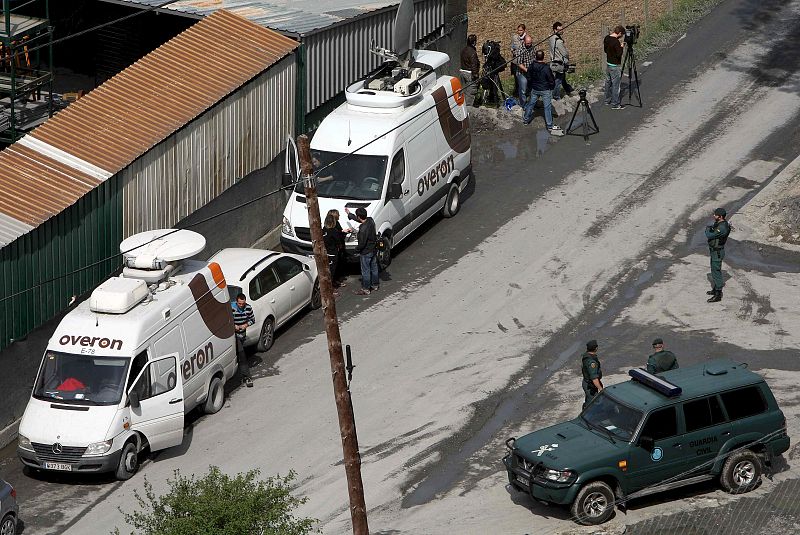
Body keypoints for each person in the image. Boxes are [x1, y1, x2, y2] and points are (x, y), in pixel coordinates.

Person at [523, 50, 561, 135]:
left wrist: (530, 86)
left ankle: (526, 120)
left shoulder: (531, 66)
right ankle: (549, 125)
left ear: (535, 57)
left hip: (535, 88)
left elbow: (528, 77)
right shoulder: (546, 68)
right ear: (543, 57)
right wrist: (551, 87)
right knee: (547, 107)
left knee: (531, 104)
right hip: (545, 89)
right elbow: (551, 79)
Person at [346, 207, 378, 295]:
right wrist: (350, 215)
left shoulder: (363, 229)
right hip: (373, 249)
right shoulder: (370, 220)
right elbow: (360, 219)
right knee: (374, 268)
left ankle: (366, 289)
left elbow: (362, 244)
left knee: (365, 271)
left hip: (366, 252)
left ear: (359, 216)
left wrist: (355, 250)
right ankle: (375, 285)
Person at [705, 207, 731, 303]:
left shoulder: (722, 228)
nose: (714, 216)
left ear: (720, 217)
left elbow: (709, 234)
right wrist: (710, 229)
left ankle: (718, 294)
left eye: (715, 215)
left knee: (716, 271)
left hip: (717, 252)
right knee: (714, 269)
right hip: (715, 251)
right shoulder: (719, 223)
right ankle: (715, 289)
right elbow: (712, 229)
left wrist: (707, 229)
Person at [231, 293, 254, 387]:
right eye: (239, 303)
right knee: (242, 355)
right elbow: (227, 320)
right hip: (234, 335)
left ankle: (237, 374)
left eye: (243, 304)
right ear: (236, 302)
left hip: (242, 335)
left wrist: (246, 325)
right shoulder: (231, 308)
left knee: (239, 355)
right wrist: (234, 326)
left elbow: (252, 319)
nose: (241, 305)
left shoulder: (248, 308)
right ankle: (247, 377)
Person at [548, 22, 574, 100]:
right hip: (559, 63)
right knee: (558, 80)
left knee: (562, 78)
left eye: (562, 29)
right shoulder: (559, 41)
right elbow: (564, 53)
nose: (562, 31)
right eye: (559, 29)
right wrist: (567, 58)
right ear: (555, 30)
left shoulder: (551, 38)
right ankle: (556, 96)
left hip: (553, 62)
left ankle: (568, 89)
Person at [326, 209, 348, 287]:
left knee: (337, 266)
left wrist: (343, 232)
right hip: (333, 251)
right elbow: (337, 238)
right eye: (338, 214)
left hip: (335, 250)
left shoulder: (332, 226)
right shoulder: (332, 230)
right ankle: (332, 285)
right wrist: (343, 233)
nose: (339, 216)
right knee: (333, 268)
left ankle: (336, 280)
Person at [604, 26, 625, 109]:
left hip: (608, 64)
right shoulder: (616, 42)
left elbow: (605, 50)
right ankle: (615, 104)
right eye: (621, 35)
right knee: (616, 85)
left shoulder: (607, 38)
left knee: (608, 83)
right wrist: (621, 47)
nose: (621, 36)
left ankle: (607, 100)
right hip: (615, 66)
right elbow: (619, 54)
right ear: (619, 33)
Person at [513, 34, 536, 106]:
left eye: (530, 43)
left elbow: (534, 58)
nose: (529, 45)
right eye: (528, 43)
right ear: (524, 42)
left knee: (532, 88)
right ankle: (523, 105)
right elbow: (519, 64)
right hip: (522, 73)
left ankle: (531, 103)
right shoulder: (520, 50)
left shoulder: (533, 47)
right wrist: (527, 70)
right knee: (523, 90)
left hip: (531, 72)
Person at [581, 340, 603, 409]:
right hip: (590, 386)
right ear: (596, 348)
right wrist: (601, 390)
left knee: (589, 400)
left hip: (587, 382)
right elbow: (594, 378)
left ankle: (586, 407)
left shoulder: (586, 355)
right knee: (593, 403)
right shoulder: (591, 362)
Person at [459, 34, 480, 107]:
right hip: (469, 74)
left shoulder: (464, 49)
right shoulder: (472, 52)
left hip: (462, 72)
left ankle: (461, 106)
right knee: (470, 92)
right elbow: (474, 64)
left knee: (464, 91)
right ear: (474, 42)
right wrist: (475, 75)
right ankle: (468, 109)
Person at [510, 24, 527, 100]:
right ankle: (517, 94)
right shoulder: (515, 38)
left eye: (521, 30)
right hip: (515, 61)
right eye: (518, 30)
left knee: (524, 79)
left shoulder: (527, 38)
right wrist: (513, 51)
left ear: (524, 30)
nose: (519, 32)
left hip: (524, 62)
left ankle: (524, 94)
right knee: (517, 79)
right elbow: (512, 47)